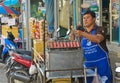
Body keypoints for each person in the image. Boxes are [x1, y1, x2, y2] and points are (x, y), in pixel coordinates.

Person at [75, 10, 112, 83]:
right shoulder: (82, 34)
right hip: (88, 66)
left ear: (94, 19)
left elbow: (98, 39)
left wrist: (82, 34)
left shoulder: (100, 29)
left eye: (87, 18)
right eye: (84, 18)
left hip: (101, 65)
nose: (85, 20)